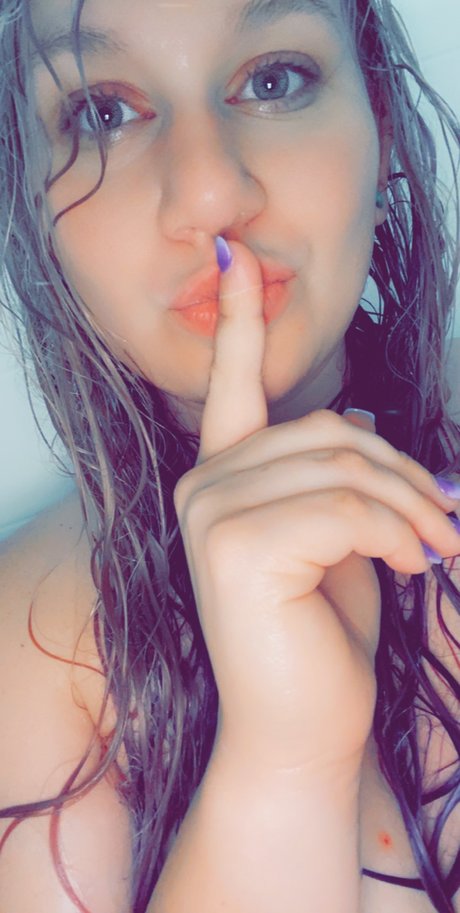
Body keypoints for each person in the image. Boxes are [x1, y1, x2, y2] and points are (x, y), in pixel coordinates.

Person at [0, 0, 459, 910]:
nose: (210, 195)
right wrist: (285, 765)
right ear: (27, 190)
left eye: (275, 80)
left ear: (380, 122)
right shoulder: (31, 654)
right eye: (102, 112)